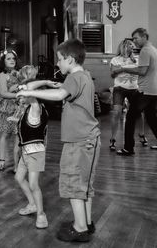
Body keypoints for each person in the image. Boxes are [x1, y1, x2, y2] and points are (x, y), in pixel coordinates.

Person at [17, 39, 101, 242]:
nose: (58, 64)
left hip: (79, 141)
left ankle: (79, 229)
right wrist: (50, 84)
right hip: (89, 139)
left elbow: (60, 94)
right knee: (84, 185)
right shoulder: (84, 76)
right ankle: (86, 223)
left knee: (72, 183)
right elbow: (65, 90)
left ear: (70, 59)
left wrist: (28, 91)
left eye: (60, 60)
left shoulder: (74, 77)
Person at [114, 28, 157, 154]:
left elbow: (142, 71)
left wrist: (122, 69)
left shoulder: (145, 51)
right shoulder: (154, 49)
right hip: (155, 90)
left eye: (136, 38)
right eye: (133, 38)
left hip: (145, 91)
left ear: (144, 37)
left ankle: (128, 148)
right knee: (152, 118)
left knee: (130, 118)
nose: (134, 41)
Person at [14, 65, 57, 229]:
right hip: (26, 152)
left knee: (33, 185)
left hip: (34, 153)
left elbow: (29, 91)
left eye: (22, 96)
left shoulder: (36, 108)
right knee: (18, 178)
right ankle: (32, 204)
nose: (19, 97)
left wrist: (44, 82)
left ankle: (41, 214)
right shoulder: (28, 111)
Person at [109, 39, 148, 150]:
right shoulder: (115, 59)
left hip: (134, 88)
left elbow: (140, 71)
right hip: (119, 88)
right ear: (124, 46)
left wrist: (121, 69)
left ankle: (142, 135)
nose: (132, 47)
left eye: (133, 45)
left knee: (139, 113)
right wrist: (120, 70)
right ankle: (113, 139)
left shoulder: (137, 58)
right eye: (130, 45)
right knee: (116, 112)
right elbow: (112, 74)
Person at [0, 49, 20, 172]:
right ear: (3, 62)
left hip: (19, 107)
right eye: (8, 59)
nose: (12, 61)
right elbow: (3, 93)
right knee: (6, 134)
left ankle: (17, 163)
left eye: (13, 58)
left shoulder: (19, 73)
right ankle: (2, 160)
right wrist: (17, 93)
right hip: (7, 107)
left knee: (18, 135)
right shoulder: (2, 75)